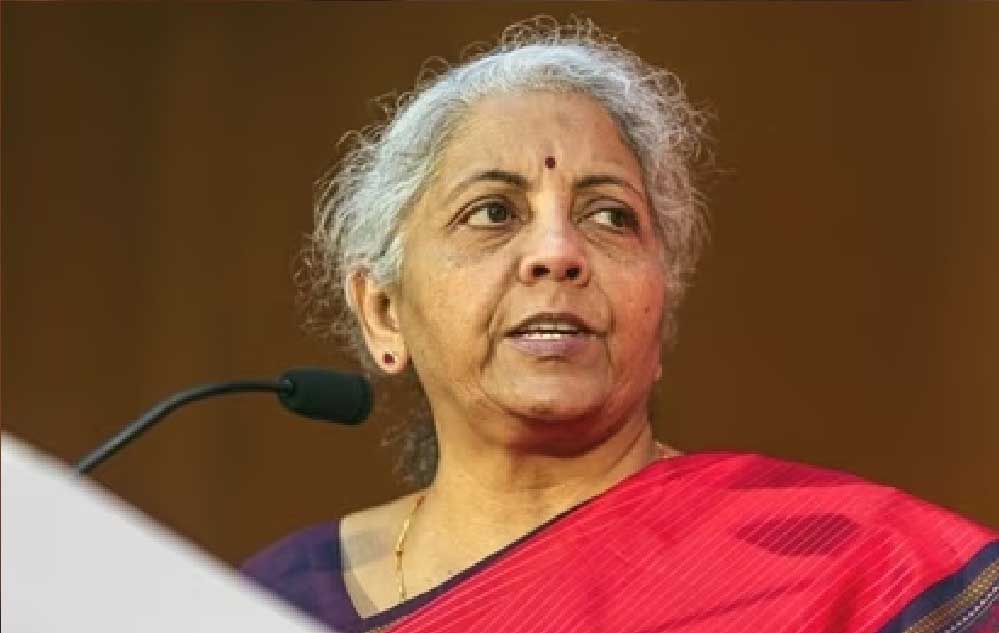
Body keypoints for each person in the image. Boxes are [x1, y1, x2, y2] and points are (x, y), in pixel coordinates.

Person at [243, 17, 998, 633]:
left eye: (609, 217)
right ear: (383, 312)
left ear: (661, 302)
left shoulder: (853, 566)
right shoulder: (277, 600)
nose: (557, 252)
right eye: (493, 212)